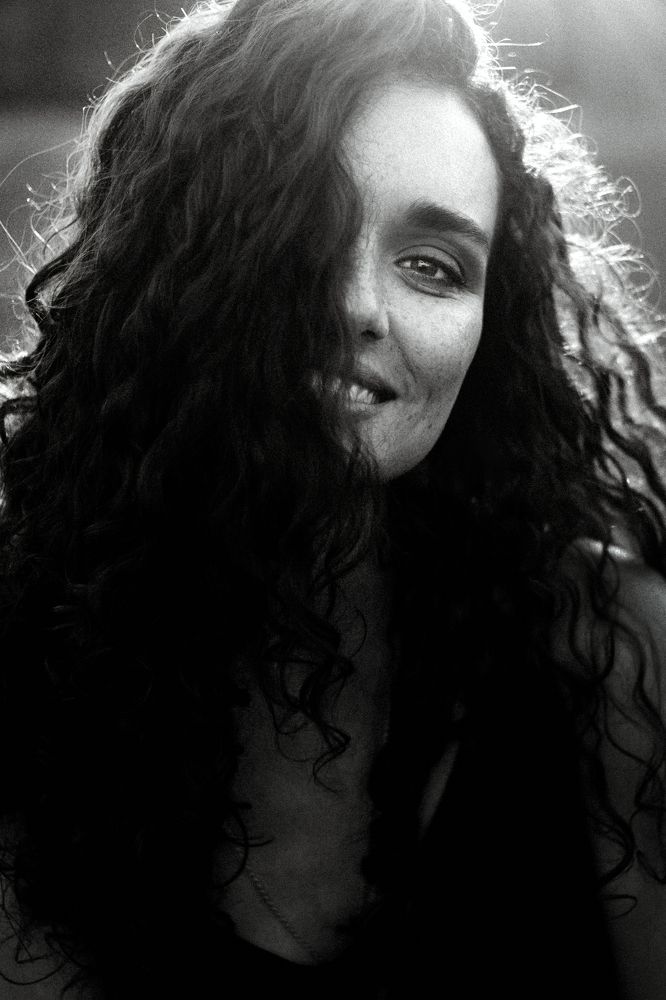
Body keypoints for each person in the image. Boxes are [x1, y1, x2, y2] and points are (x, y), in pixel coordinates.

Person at [0, 0, 664, 996]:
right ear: (172, 264)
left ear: (490, 329)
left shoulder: (617, 658)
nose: (357, 305)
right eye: (301, 229)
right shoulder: (29, 654)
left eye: (432, 267)